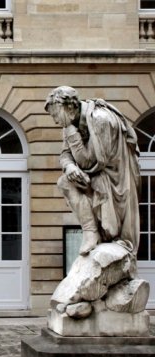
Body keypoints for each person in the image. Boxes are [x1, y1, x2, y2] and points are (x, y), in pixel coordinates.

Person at [44, 86, 141, 256]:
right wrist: (70, 167)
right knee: (64, 182)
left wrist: (72, 136)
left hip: (114, 181)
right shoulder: (70, 124)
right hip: (95, 176)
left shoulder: (100, 119)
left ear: (67, 107)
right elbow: (65, 154)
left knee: (111, 229)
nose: (55, 121)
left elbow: (89, 161)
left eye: (55, 115)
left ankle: (104, 235)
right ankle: (90, 232)